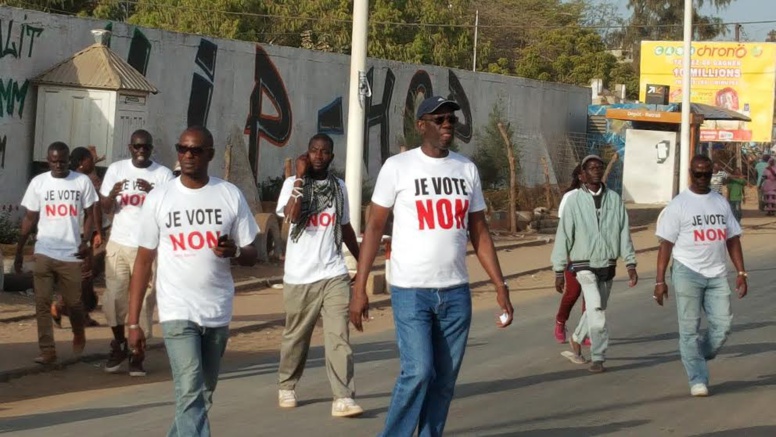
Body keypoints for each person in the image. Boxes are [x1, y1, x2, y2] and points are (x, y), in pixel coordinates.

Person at [350, 96, 514, 437]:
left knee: (444, 379)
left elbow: (479, 231)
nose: (447, 124)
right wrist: (359, 288)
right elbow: (375, 227)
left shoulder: (466, 169)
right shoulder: (398, 167)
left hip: (456, 292)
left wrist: (500, 285)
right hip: (411, 291)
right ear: (421, 125)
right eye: (439, 119)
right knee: (419, 371)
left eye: (451, 118)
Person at [127, 125, 259, 436]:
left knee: (202, 394)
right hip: (177, 310)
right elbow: (143, 262)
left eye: (196, 150)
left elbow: (252, 251)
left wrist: (235, 250)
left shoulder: (228, 194)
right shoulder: (160, 198)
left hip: (216, 309)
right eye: (182, 149)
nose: (188, 155)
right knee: (189, 390)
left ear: (210, 155)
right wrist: (133, 322)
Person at [275, 133, 363, 417]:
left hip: (333, 273)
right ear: (307, 153)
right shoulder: (292, 184)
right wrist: (300, 178)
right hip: (300, 276)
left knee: (338, 336)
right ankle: (287, 384)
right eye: (313, 151)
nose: (318, 156)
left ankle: (343, 397)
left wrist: (362, 262)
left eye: (324, 152)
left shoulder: (339, 188)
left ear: (331, 157)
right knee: (296, 338)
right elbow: (292, 216)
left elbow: (345, 226)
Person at [654, 154, 747, 397]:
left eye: (707, 173)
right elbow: (665, 245)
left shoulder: (720, 202)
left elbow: (732, 239)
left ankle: (695, 354)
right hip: (687, 272)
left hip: (716, 273)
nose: (703, 178)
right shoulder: (679, 205)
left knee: (723, 325)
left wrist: (741, 272)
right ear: (690, 173)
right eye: (698, 173)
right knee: (689, 330)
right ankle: (697, 378)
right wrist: (659, 280)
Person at [551, 154, 638, 373]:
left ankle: (577, 338)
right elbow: (564, 236)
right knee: (597, 309)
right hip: (583, 264)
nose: (596, 170)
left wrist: (630, 263)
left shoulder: (615, 200)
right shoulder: (573, 201)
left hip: (607, 264)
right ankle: (598, 356)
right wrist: (559, 269)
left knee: (596, 307)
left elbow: (623, 232)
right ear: (582, 175)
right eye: (591, 168)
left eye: (599, 167)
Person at [15, 142, 99, 364]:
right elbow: (30, 218)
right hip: (44, 251)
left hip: (71, 254)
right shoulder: (39, 183)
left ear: (69, 159)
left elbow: (91, 213)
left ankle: (78, 330)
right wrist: (19, 250)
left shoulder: (81, 182)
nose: (59, 165)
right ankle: (47, 350)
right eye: (54, 161)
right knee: (42, 303)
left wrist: (86, 240)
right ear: (47, 160)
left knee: (74, 304)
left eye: (63, 161)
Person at [100, 130, 174, 376]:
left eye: (146, 148)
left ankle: (137, 354)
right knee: (114, 298)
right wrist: (112, 195)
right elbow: (106, 208)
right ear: (130, 147)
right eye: (137, 147)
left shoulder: (162, 175)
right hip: (119, 243)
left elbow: (170, 210)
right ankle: (120, 344)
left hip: (148, 246)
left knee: (143, 302)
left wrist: (153, 191)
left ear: (151, 149)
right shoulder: (116, 169)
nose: (141, 151)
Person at [51, 147, 105, 328]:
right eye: (90, 159)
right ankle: (60, 306)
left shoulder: (68, 178)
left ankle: (82, 314)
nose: (93, 162)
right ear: (82, 162)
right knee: (85, 276)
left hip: (66, 235)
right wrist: (98, 232)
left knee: (84, 277)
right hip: (82, 235)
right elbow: (95, 209)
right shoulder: (86, 181)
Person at [554, 165, 588, 345]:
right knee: (573, 292)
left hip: (595, 255)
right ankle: (560, 321)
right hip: (574, 254)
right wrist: (564, 260)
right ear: (580, 176)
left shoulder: (602, 196)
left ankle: (585, 330)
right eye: (588, 171)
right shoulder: (570, 197)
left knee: (591, 296)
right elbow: (564, 232)